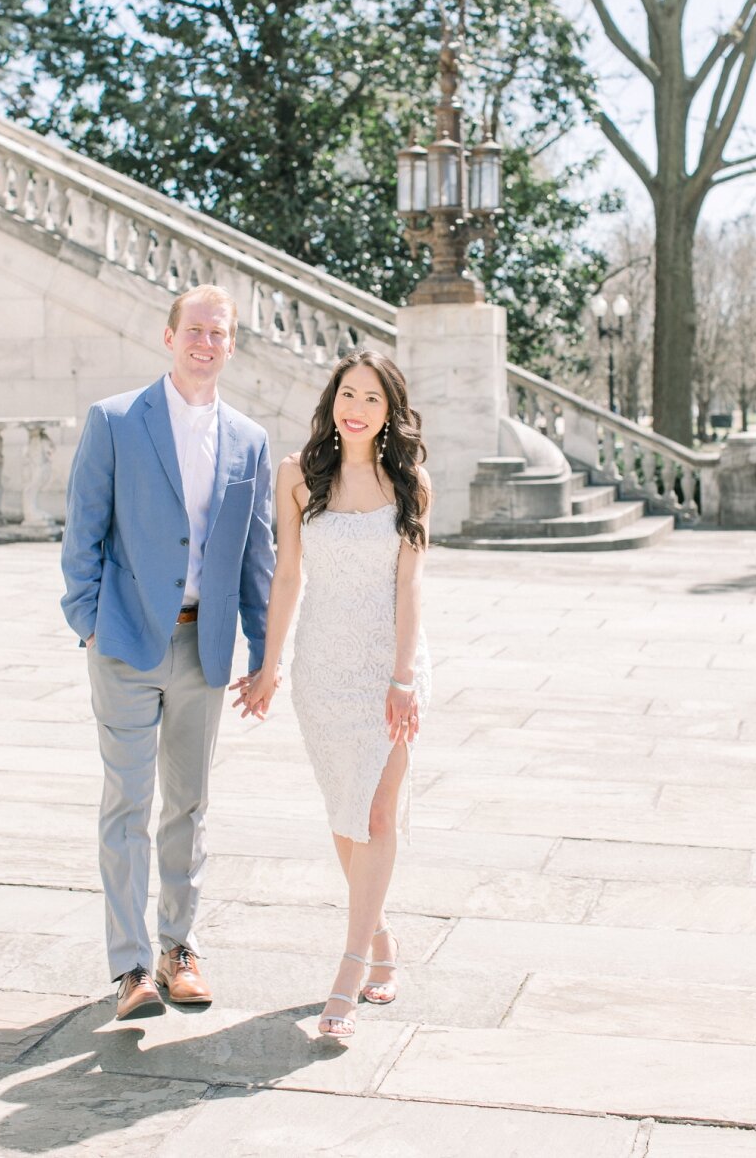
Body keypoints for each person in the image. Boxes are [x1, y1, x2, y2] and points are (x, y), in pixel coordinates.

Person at [61, 284, 275, 1022]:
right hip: (123, 640)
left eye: (219, 333)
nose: (205, 343)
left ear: (231, 344)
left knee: (188, 803)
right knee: (127, 803)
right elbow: (82, 529)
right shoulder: (116, 420)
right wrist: (87, 619)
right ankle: (130, 970)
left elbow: (258, 558)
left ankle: (178, 949)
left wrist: (264, 652)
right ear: (168, 335)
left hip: (203, 648)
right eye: (194, 330)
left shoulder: (249, 440)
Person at [232, 349, 430, 1041]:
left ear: (389, 413)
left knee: (377, 814)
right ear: (332, 401)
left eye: (372, 398)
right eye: (348, 393)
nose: (356, 407)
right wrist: (268, 664)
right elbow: (287, 577)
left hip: (389, 669)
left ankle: (347, 969)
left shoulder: (409, 483)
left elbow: (409, 587)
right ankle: (381, 941)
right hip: (322, 668)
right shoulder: (295, 476)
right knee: (347, 818)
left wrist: (403, 677)